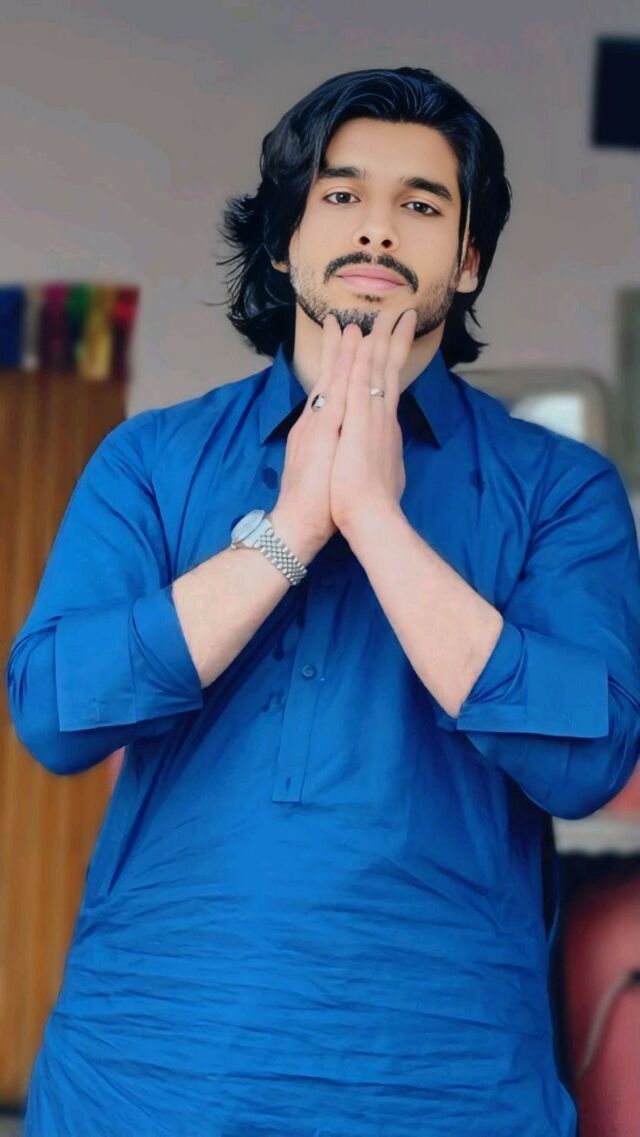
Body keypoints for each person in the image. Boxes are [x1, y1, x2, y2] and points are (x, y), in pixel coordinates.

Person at [7, 65, 640, 1137]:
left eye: (422, 205)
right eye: (341, 194)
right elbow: (56, 715)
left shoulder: (559, 490)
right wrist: (293, 527)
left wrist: (376, 520)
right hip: (148, 1079)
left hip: (447, 1089)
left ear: (469, 258)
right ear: (284, 239)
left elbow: (586, 761)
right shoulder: (150, 463)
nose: (378, 228)